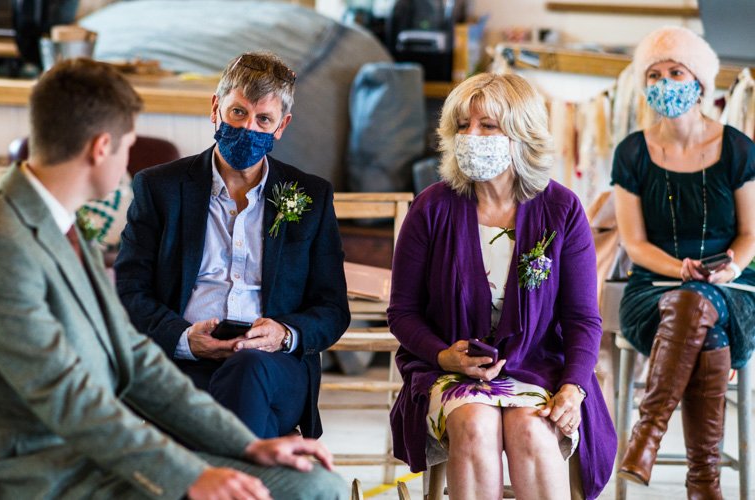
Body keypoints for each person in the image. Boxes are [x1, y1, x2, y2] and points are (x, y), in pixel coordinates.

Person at [0, 58, 346, 499]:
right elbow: (70, 399)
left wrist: (246, 444)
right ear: (101, 147)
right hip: (43, 474)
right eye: (128, 145)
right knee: (304, 493)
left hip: (93, 456)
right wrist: (188, 474)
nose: (128, 161)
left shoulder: (62, 229)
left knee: (316, 486)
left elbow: (135, 358)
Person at [386, 73, 617, 500]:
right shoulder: (431, 207)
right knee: (474, 421)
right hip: (447, 370)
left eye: (487, 126)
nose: (471, 136)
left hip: (540, 365)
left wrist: (572, 388)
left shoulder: (562, 208)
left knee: (531, 428)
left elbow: (582, 318)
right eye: (462, 125)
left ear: (521, 134)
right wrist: (443, 355)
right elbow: (401, 312)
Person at [114, 51, 350, 440]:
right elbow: (129, 290)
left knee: (247, 371)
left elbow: (331, 307)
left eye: (264, 120)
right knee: (230, 404)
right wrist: (184, 339)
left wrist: (284, 334)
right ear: (215, 108)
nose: (248, 128)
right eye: (238, 113)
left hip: (273, 367)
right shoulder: (160, 187)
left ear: (281, 126)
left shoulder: (311, 195)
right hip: (182, 360)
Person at [613, 26, 755, 499]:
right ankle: (704, 483)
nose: (664, 82)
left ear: (699, 82)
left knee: (700, 307)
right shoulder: (631, 153)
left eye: (676, 71)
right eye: (653, 74)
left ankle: (646, 436)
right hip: (653, 291)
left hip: (733, 288)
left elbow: (751, 233)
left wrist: (731, 266)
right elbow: (633, 243)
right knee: (695, 311)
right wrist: (680, 270)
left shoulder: (737, 148)